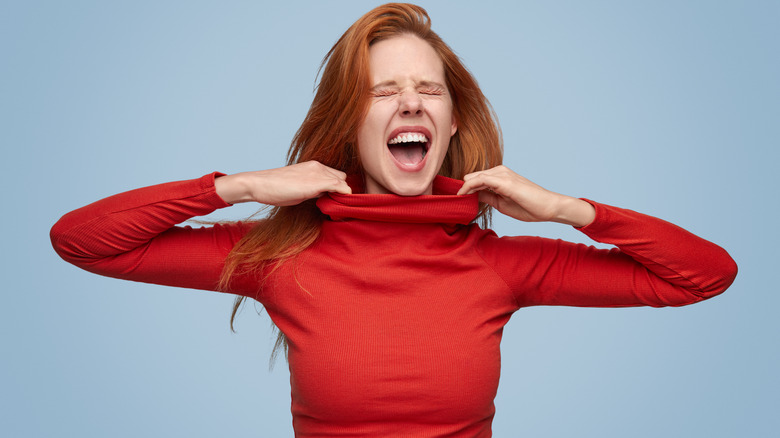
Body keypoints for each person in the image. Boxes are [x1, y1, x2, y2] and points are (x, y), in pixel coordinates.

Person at [50, 3, 737, 437]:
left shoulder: (503, 263)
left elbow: (704, 276)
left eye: (428, 89)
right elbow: (82, 242)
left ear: (451, 121)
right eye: (383, 91)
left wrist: (567, 210)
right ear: (350, 126)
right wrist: (240, 186)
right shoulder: (279, 256)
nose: (411, 102)